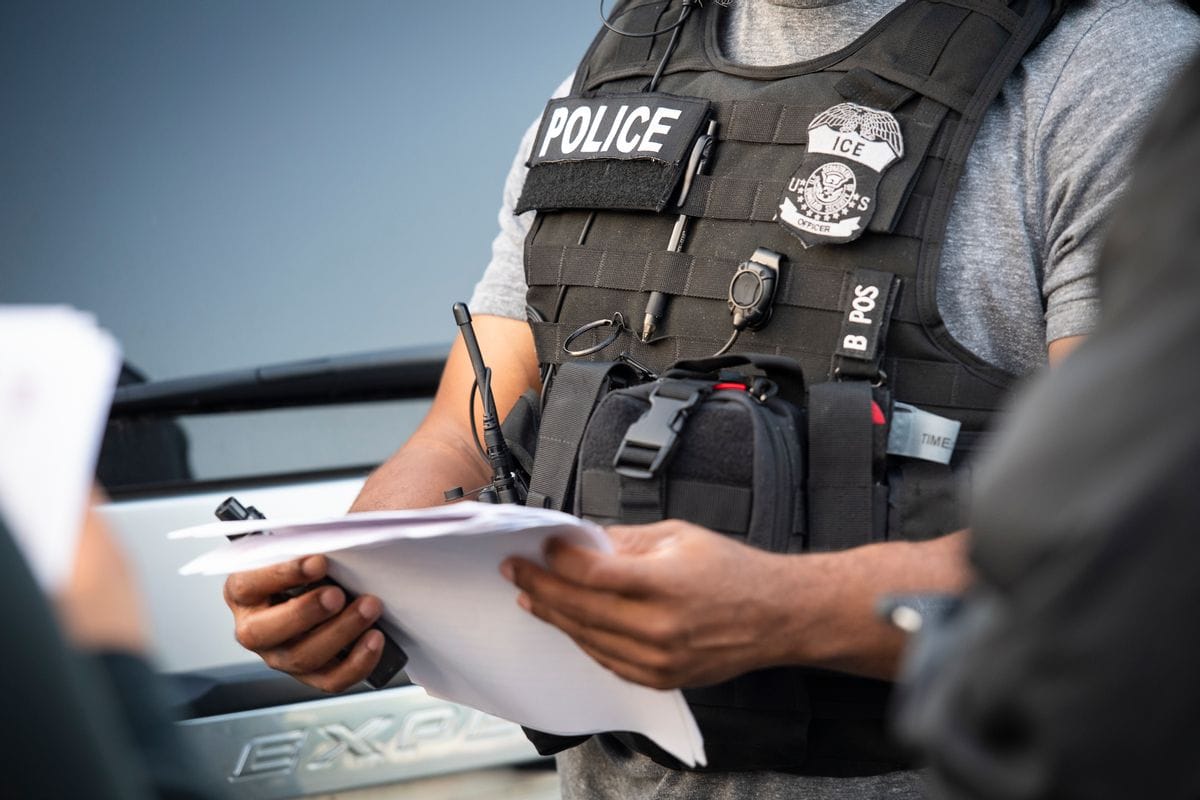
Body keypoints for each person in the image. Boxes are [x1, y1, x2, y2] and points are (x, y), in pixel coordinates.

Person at [221, 1, 1200, 798]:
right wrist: (349, 574)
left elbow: (1137, 563)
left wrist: (790, 611)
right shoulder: (615, 74)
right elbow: (461, 431)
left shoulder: (1106, 70)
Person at [891, 49, 1200, 800]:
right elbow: (548, 377)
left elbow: (1109, 536)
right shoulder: (624, 58)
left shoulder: (1119, 60)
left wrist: (777, 606)